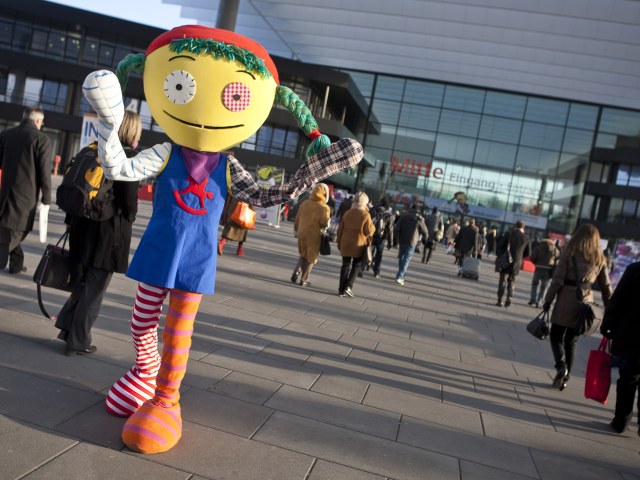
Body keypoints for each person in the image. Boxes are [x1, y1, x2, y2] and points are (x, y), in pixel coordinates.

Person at [84, 25, 363, 454]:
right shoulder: (166, 152)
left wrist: (313, 171)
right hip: (159, 249)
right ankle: (144, 372)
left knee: (178, 330)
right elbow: (122, 168)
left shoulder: (229, 166)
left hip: (194, 258)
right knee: (141, 321)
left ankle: (166, 400)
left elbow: (269, 195)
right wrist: (108, 124)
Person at [55, 111, 142, 356]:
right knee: (95, 287)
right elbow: (129, 201)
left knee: (83, 282)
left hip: (82, 226)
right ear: (132, 131)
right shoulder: (126, 156)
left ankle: (67, 328)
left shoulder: (96, 147)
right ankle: (79, 341)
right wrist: (131, 216)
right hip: (108, 233)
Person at [542, 224, 612, 390]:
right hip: (585, 304)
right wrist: (610, 308)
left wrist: (548, 300)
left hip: (566, 297)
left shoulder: (569, 253)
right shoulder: (600, 258)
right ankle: (567, 376)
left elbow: (557, 280)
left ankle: (560, 366)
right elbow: (605, 287)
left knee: (556, 335)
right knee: (571, 341)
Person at [0, 107, 53, 274]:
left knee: (8, 228)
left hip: (4, 192)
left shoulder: (6, 134)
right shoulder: (41, 139)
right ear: (38, 121)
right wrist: (46, 198)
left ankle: (16, 264)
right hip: (25, 196)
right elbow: (45, 172)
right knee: (17, 231)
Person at [601, 262, 640, 434]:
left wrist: (608, 324)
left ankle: (621, 420)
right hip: (631, 334)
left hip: (632, 334)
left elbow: (618, 299)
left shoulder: (635, 269)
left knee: (627, 379)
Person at [290, 183, 331, 287]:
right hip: (314, 234)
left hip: (302, 232)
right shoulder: (324, 208)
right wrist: (327, 222)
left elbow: (297, 218)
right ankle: (303, 279)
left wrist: (295, 230)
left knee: (303, 254)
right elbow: (324, 223)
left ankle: (296, 270)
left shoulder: (305, 203)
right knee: (311, 257)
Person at [336, 191, 374, 297]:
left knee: (345, 265)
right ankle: (348, 287)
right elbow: (369, 231)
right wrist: (373, 226)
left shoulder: (348, 213)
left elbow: (340, 230)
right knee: (356, 265)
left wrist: (339, 242)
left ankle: (340, 290)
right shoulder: (366, 214)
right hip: (359, 244)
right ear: (364, 202)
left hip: (346, 243)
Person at [495, 220, 530, 307]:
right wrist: (519, 256)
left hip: (506, 260)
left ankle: (500, 300)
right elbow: (528, 253)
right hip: (517, 262)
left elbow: (499, 246)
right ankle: (509, 297)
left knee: (502, 279)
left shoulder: (509, 234)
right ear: (523, 228)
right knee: (512, 280)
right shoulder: (526, 237)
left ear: (515, 226)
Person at [394, 204, 428, 286]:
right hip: (412, 241)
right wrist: (425, 240)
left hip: (402, 240)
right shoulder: (419, 219)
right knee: (406, 259)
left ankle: (401, 274)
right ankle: (400, 276)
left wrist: (396, 239)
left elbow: (397, 228)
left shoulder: (404, 216)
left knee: (401, 257)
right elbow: (425, 232)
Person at [528, 232, 560, 308]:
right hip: (548, 270)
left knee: (534, 284)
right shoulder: (555, 248)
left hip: (538, 268)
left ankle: (532, 300)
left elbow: (532, 257)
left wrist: (536, 263)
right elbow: (558, 258)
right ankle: (539, 302)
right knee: (544, 287)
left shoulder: (538, 247)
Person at [369, 205, 394, 278]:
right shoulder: (388, 216)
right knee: (379, 255)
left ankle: (363, 267)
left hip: (372, 236)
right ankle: (376, 272)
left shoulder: (373, 213)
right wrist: (390, 242)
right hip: (381, 238)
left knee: (369, 252)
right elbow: (390, 230)